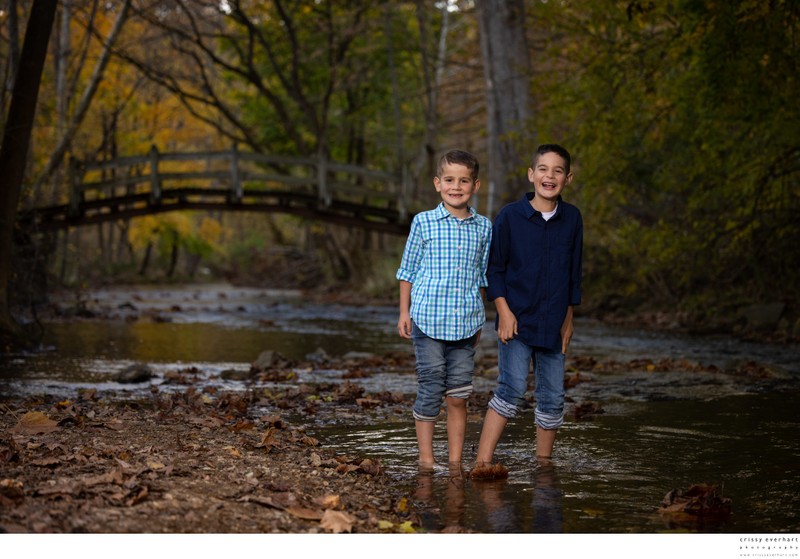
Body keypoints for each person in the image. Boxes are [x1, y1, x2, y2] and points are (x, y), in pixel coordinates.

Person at [471, 143, 583, 477]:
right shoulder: (509, 217)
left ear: (568, 178)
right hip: (516, 320)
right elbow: (495, 270)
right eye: (544, 169)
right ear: (531, 174)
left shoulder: (572, 219)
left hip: (553, 321)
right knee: (512, 389)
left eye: (558, 170)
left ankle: (543, 466)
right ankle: (482, 461)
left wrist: (568, 319)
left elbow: (573, 272)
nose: (550, 176)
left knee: (552, 396)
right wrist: (502, 311)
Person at [396, 149, 492, 469]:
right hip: (426, 318)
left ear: (475, 186)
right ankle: (426, 459)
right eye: (449, 180)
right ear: (438, 183)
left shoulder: (484, 228)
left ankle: (454, 462)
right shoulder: (423, 222)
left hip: (465, 322)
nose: (456, 186)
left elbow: (482, 276)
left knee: (459, 396)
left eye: (464, 181)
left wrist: (481, 318)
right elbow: (407, 271)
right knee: (431, 386)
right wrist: (404, 312)